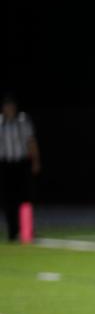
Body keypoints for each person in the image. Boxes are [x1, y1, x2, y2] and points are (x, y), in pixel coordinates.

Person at [0, 94, 41, 241]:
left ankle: (27, 231)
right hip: (6, 165)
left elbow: (31, 142)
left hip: (22, 164)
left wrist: (35, 160)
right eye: (6, 106)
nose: (9, 108)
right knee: (8, 200)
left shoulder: (23, 121)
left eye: (11, 105)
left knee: (26, 198)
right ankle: (12, 232)